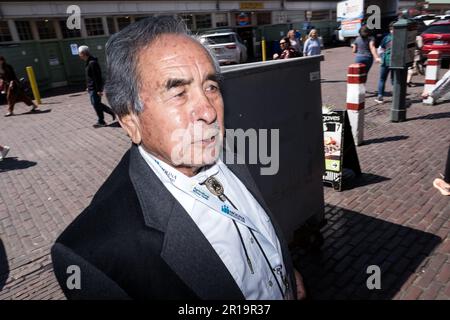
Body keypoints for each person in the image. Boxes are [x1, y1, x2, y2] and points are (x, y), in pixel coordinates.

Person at [52, 16, 306, 300]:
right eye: (179, 93)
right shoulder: (93, 255)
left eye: (210, 87)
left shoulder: (227, 154)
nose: (209, 112)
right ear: (130, 121)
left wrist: (282, 271)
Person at [78, 46, 116, 128]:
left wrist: (99, 90)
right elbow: (90, 77)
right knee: (96, 104)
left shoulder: (92, 63)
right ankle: (110, 112)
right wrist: (88, 86)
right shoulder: (88, 62)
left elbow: (97, 77)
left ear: (83, 53)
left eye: (79, 53)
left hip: (95, 88)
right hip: (91, 88)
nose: (79, 55)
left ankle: (101, 120)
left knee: (96, 104)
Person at [374, 22, 395, 104]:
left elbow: (380, 49)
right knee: (394, 80)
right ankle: (396, 96)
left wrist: (382, 56)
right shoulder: (401, 38)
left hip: (385, 61)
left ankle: (380, 96)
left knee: (382, 79)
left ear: (390, 30)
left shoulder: (386, 38)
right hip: (396, 62)